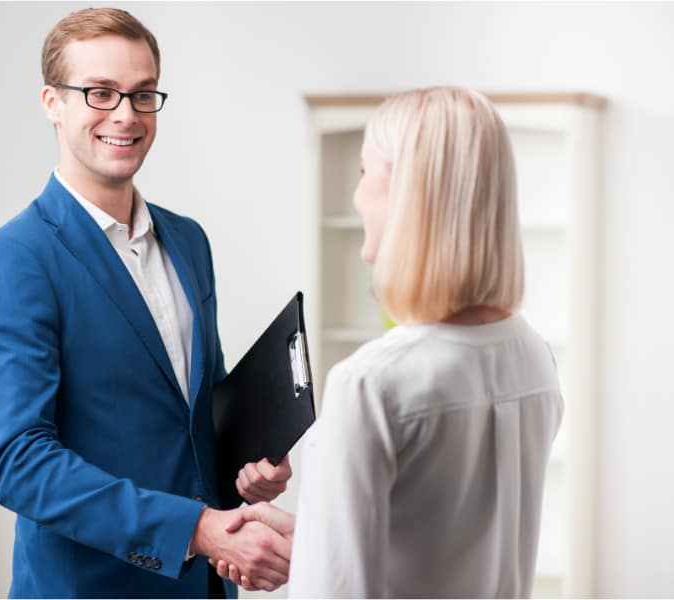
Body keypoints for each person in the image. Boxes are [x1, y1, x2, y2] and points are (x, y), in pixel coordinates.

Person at [0, 8, 292, 598]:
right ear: (52, 103)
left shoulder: (189, 241)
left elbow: (199, 417)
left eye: (142, 95)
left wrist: (248, 469)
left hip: (204, 586)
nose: (125, 115)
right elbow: (19, 462)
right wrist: (197, 529)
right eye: (100, 93)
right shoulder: (12, 259)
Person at [219, 87, 565, 597]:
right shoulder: (534, 355)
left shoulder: (372, 382)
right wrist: (319, 539)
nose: (357, 196)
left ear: (410, 196)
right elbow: (449, 543)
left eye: (365, 174)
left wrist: (322, 559)